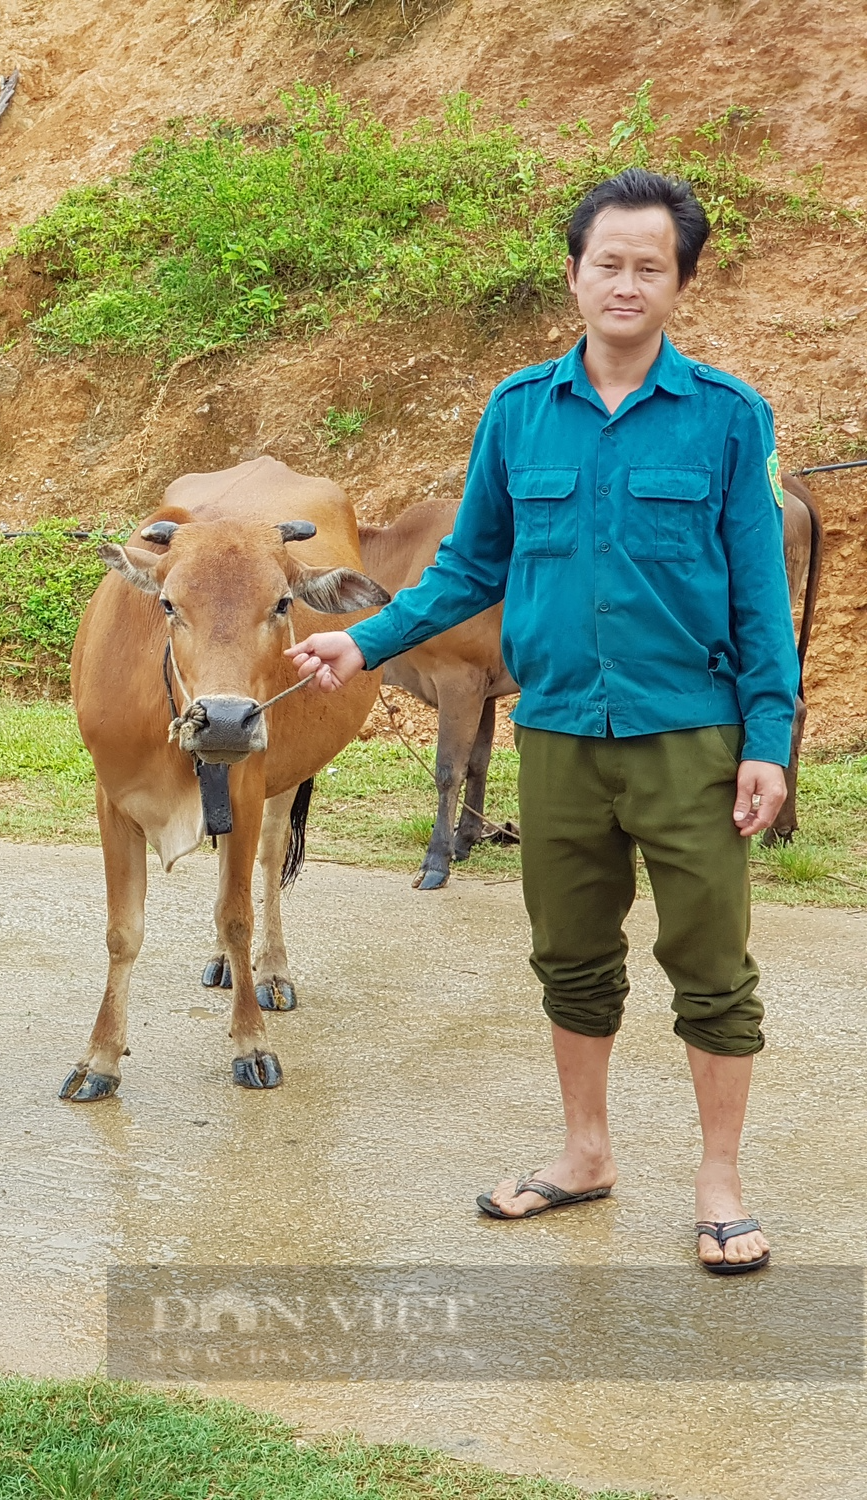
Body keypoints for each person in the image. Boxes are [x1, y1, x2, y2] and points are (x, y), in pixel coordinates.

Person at [288, 168, 796, 1276]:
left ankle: (718, 1181)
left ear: (678, 282)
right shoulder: (519, 410)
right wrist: (362, 641)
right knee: (569, 959)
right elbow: (470, 563)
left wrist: (768, 738)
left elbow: (758, 594)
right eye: (604, 262)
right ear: (572, 274)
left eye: (647, 266)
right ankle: (583, 1153)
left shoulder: (723, 417)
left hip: (689, 737)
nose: (623, 282)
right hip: (559, 733)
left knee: (709, 965)